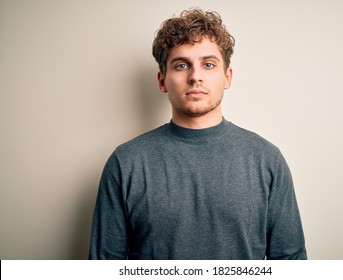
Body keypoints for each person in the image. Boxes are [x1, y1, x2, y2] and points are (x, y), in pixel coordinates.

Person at [89, 8, 307, 260]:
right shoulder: (126, 163)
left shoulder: (267, 159)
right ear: (162, 80)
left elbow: (291, 263)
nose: (195, 77)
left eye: (208, 64)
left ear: (227, 77)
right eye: (181, 65)